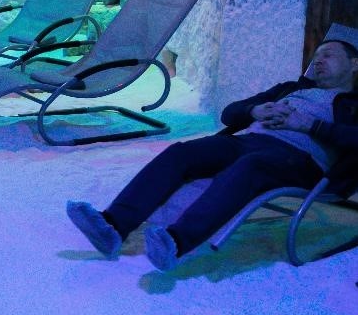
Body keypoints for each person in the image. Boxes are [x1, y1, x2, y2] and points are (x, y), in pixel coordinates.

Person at [67, 38, 358, 271]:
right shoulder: (291, 88)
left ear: (355, 63)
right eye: (316, 56)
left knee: (251, 166)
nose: (318, 61)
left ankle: (177, 242)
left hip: (300, 159)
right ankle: (113, 226)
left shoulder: (354, 104)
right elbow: (229, 113)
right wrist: (255, 110)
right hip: (248, 140)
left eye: (329, 55)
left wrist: (309, 125)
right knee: (182, 153)